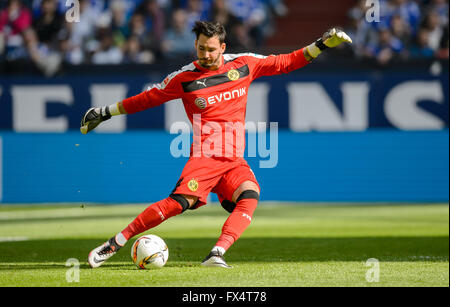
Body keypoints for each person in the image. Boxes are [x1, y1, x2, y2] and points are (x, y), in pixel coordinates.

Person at [82, 22, 352, 268]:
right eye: (201, 49)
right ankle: (116, 242)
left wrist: (321, 45)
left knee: (249, 196)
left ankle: (216, 254)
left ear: (223, 47)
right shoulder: (184, 78)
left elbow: (285, 62)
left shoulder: (245, 64)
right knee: (178, 204)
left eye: (211, 49)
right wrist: (105, 112)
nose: (206, 55)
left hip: (234, 158)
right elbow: (147, 99)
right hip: (207, 155)